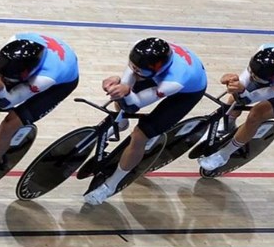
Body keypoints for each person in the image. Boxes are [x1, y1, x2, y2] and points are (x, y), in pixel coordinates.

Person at [0, 33, 79, 196]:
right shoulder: (12, 44)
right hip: (33, 64)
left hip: (59, 84)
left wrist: (2, 89)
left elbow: (8, 102)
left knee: (10, 123)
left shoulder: (45, 78)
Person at [84, 37, 208, 205]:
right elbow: (130, 80)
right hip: (160, 72)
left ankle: (111, 185)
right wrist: (119, 86)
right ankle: (120, 123)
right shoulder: (141, 52)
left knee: (140, 135)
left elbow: (136, 103)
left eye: (139, 71)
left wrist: (126, 92)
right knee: (122, 96)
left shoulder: (173, 81)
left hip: (186, 92)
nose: (135, 72)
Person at [197, 44, 274, 172]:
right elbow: (244, 83)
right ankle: (227, 124)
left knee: (256, 115)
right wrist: (234, 82)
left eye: (257, 79)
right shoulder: (263, 50)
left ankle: (223, 155)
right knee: (234, 97)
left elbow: (248, 99)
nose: (252, 78)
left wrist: (240, 90)